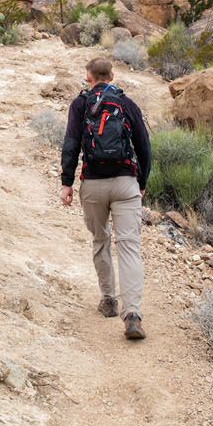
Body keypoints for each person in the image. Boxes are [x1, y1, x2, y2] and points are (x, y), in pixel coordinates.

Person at [60, 57, 152, 340]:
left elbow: (71, 143)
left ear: (89, 77)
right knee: (129, 247)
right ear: (111, 76)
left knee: (101, 240)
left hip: (93, 184)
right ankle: (133, 313)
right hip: (126, 183)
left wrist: (66, 183)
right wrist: (142, 182)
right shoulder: (126, 103)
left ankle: (109, 300)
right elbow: (144, 146)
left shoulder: (81, 104)